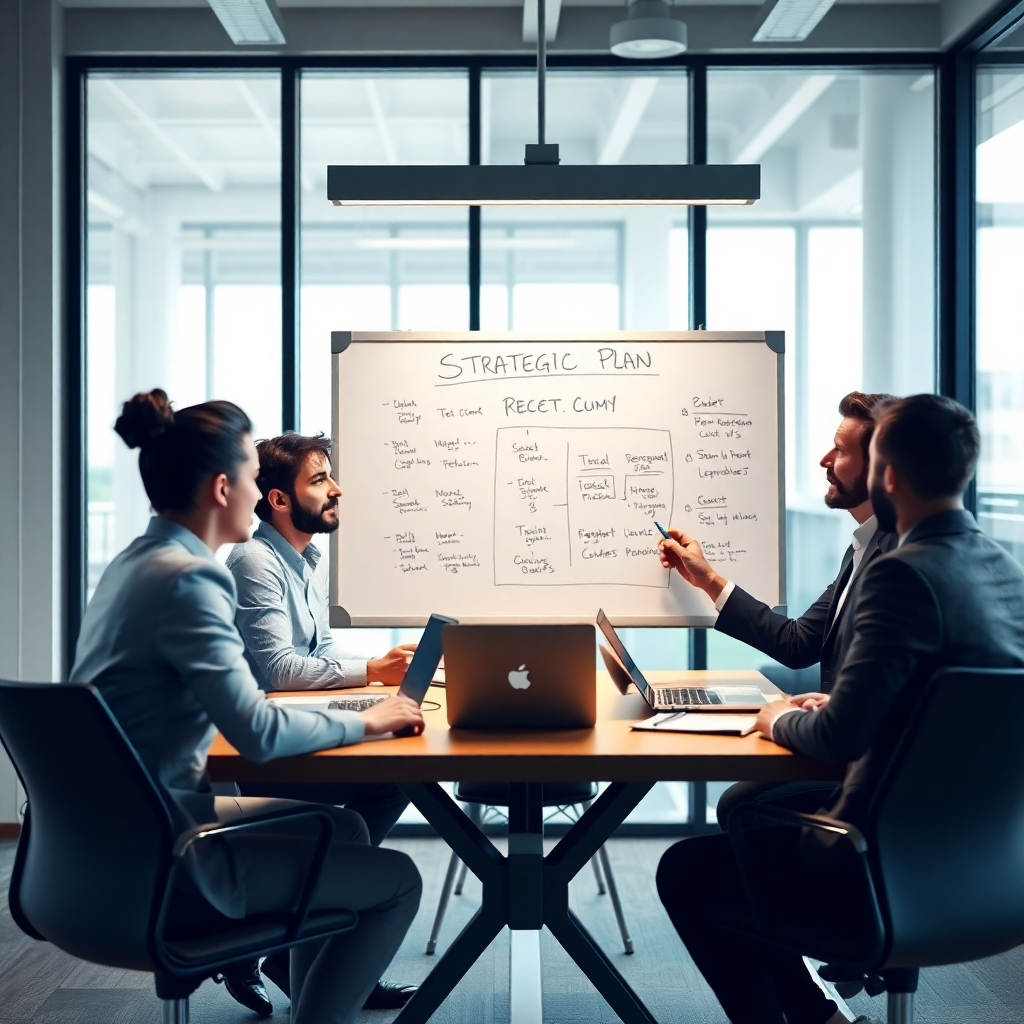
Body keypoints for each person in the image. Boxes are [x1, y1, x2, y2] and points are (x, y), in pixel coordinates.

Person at [656, 394, 1024, 1024]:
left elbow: (838, 736)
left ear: (888, 475)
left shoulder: (902, 572)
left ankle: (808, 1015)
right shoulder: (1005, 569)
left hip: (884, 860)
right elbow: (948, 699)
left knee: (688, 871)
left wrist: (778, 718)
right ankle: (816, 1016)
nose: (827, 460)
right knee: (743, 812)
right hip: (988, 865)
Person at [70, 390, 425, 1024]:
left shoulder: (134, 562)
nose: (262, 493)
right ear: (221, 488)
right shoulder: (191, 577)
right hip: (171, 855)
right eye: (255, 478)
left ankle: (303, 986)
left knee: (346, 830)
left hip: (103, 841)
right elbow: (256, 731)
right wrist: (370, 718)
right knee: (398, 880)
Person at [223, 432, 418, 1012]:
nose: (337, 489)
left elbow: (321, 648)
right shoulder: (254, 561)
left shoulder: (305, 557)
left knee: (398, 778)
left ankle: (302, 943)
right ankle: (300, 936)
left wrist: (377, 673)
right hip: (271, 751)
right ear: (279, 500)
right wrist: (370, 673)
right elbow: (280, 668)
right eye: (319, 480)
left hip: (297, 729)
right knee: (389, 783)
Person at [659, 391, 897, 828]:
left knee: (735, 807)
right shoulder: (865, 547)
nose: (825, 460)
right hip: (845, 746)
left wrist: (787, 719)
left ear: (882, 470)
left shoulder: (897, 564)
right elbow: (799, 643)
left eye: (841, 451)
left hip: (866, 775)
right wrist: (707, 579)